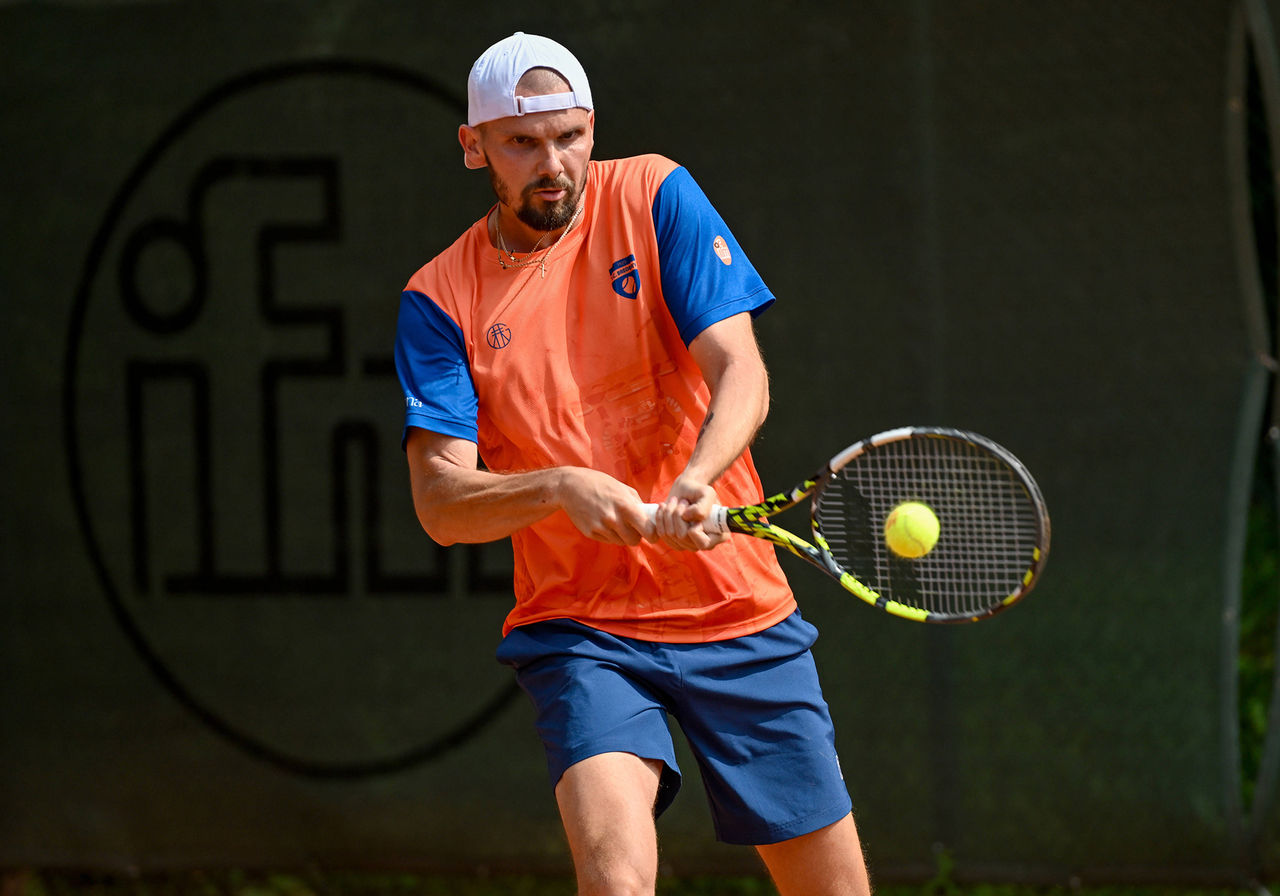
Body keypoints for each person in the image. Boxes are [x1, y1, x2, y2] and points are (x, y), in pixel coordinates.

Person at [395, 31, 873, 896]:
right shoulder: (439, 299)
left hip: (736, 609)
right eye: (522, 143)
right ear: (474, 148)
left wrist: (697, 476)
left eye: (570, 136)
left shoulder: (655, 194)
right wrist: (558, 488)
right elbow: (440, 501)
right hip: (584, 630)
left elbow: (743, 371)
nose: (554, 163)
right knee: (616, 881)